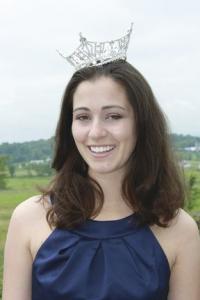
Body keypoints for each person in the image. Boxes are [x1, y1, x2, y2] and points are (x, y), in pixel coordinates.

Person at [2, 27, 200, 300]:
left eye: (113, 116)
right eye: (83, 117)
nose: (95, 132)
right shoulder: (28, 220)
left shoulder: (179, 230)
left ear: (142, 124)